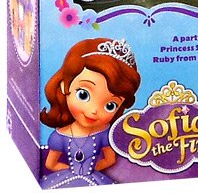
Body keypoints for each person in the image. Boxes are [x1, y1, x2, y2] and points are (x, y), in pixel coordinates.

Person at [40, 38, 141, 188]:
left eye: (110, 105)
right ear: (64, 86)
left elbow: (110, 159)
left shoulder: (104, 134)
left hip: (94, 180)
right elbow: (51, 164)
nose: (94, 111)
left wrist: (91, 170)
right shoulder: (59, 136)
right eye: (83, 95)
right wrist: (72, 173)